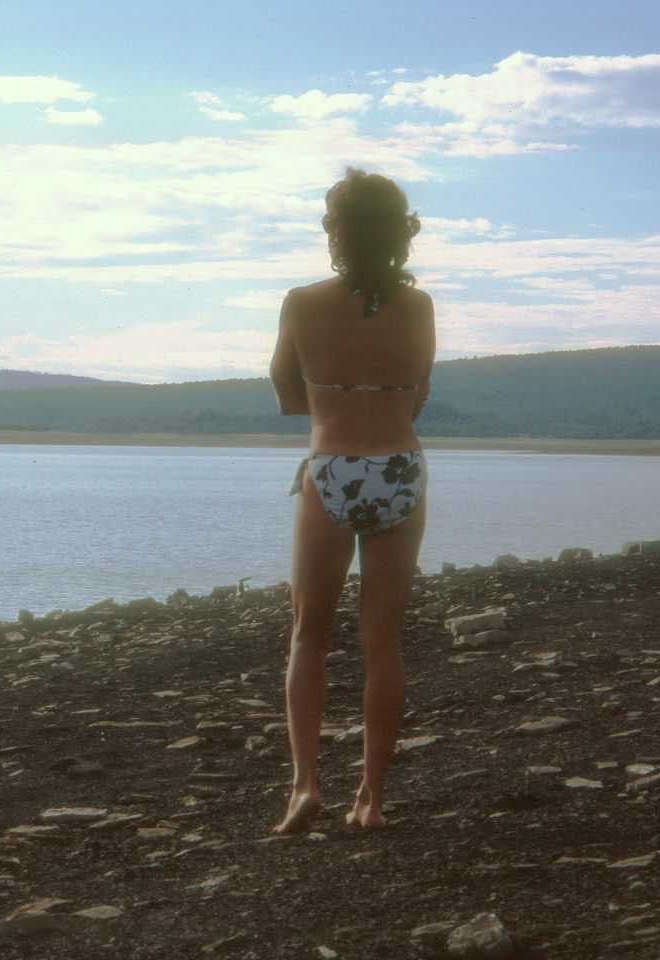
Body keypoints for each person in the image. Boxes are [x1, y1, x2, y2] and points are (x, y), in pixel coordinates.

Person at [268, 168, 435, 832]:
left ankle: (306, 786)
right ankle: (371, 797)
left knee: (309, 635)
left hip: (332, 463)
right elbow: (419, 390)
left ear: (335, 232)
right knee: (382, 643)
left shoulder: (303, 302)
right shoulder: (419, 307)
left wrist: (326, 409)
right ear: (400, 232)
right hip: (399, 464)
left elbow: (284, 389)